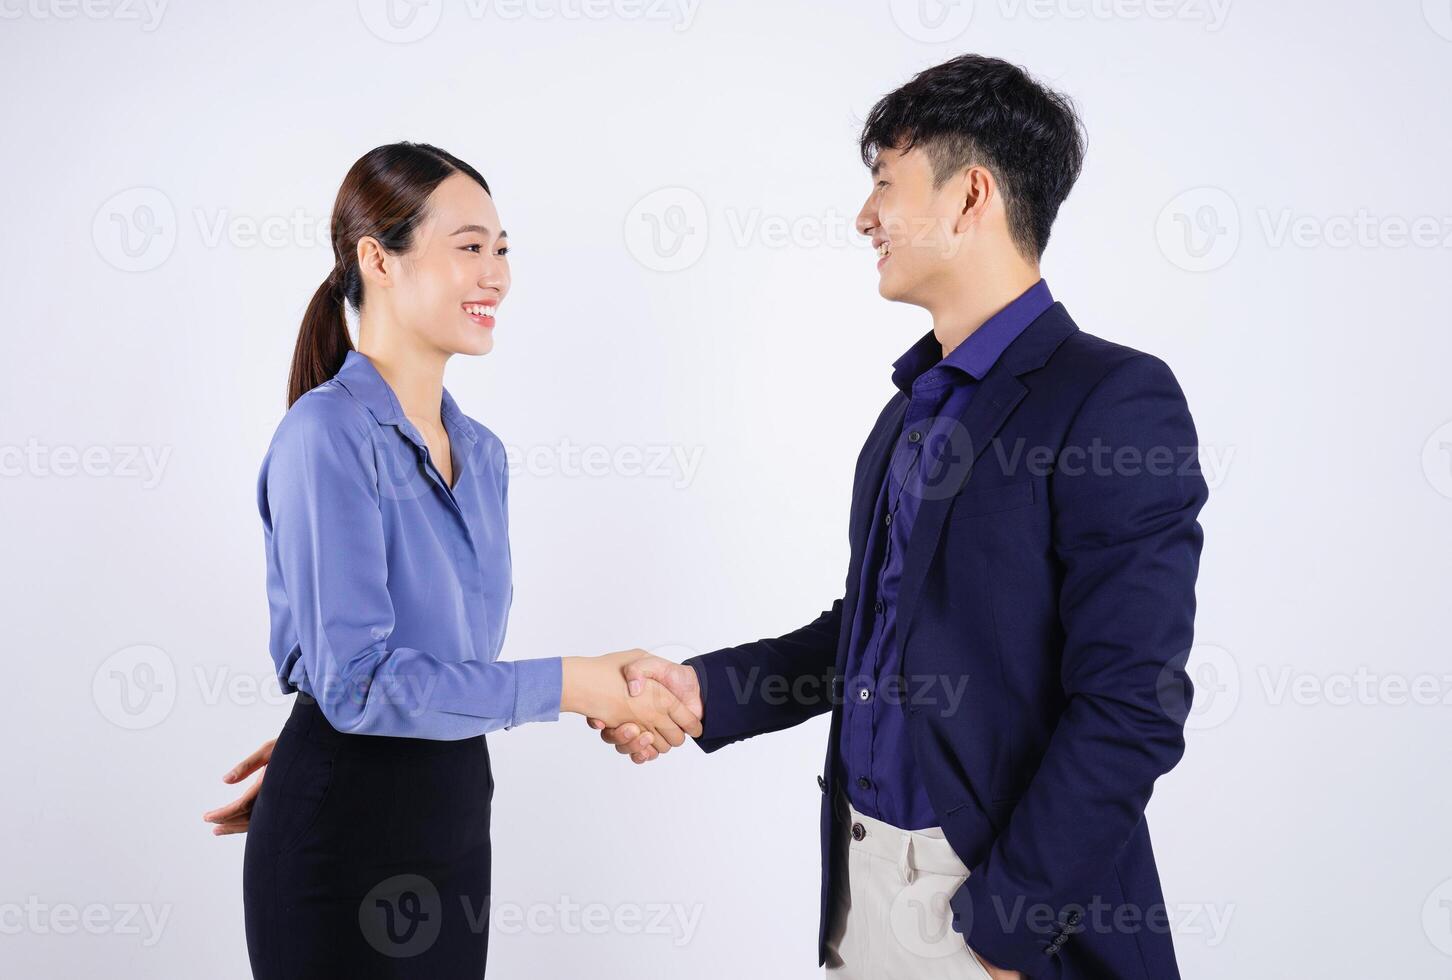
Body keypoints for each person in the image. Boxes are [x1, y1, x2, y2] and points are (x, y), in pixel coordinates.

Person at [596, 55, 1209, 980]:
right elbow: (878, 633)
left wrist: (1006, 930)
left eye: (885, 182)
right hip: (863, 892)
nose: (864, 216)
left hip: (999, 909)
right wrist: (705, 692)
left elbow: (1132, 706)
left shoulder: (1115, 399)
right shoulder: (915, 407)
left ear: (970, 197)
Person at [222, 141, 702, 980]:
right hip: (340, 840)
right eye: (470, 247)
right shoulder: (325, 436)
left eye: (503, 250)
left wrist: (602, 682)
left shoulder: (483, 456)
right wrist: (570, 682)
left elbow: (438, 666)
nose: (497, 276)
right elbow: (358, 684)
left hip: (448, 819)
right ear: (378, 258)